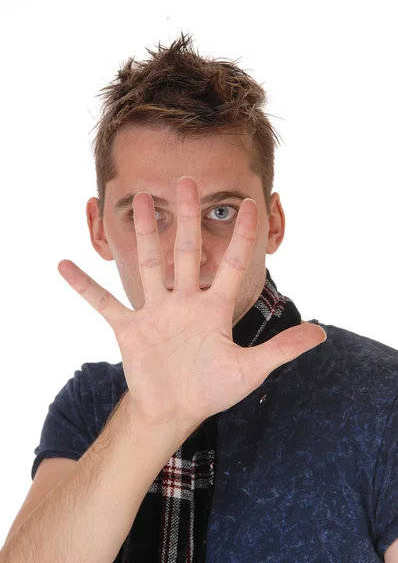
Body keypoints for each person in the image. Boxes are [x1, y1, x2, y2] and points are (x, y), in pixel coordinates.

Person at [1, 32, 398, 563]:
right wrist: (151, 420)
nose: (184, 251)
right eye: (148, 215)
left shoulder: (382, 395)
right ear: (99, 231)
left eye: (220, 212)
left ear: (273, 223)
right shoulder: (93, 403)